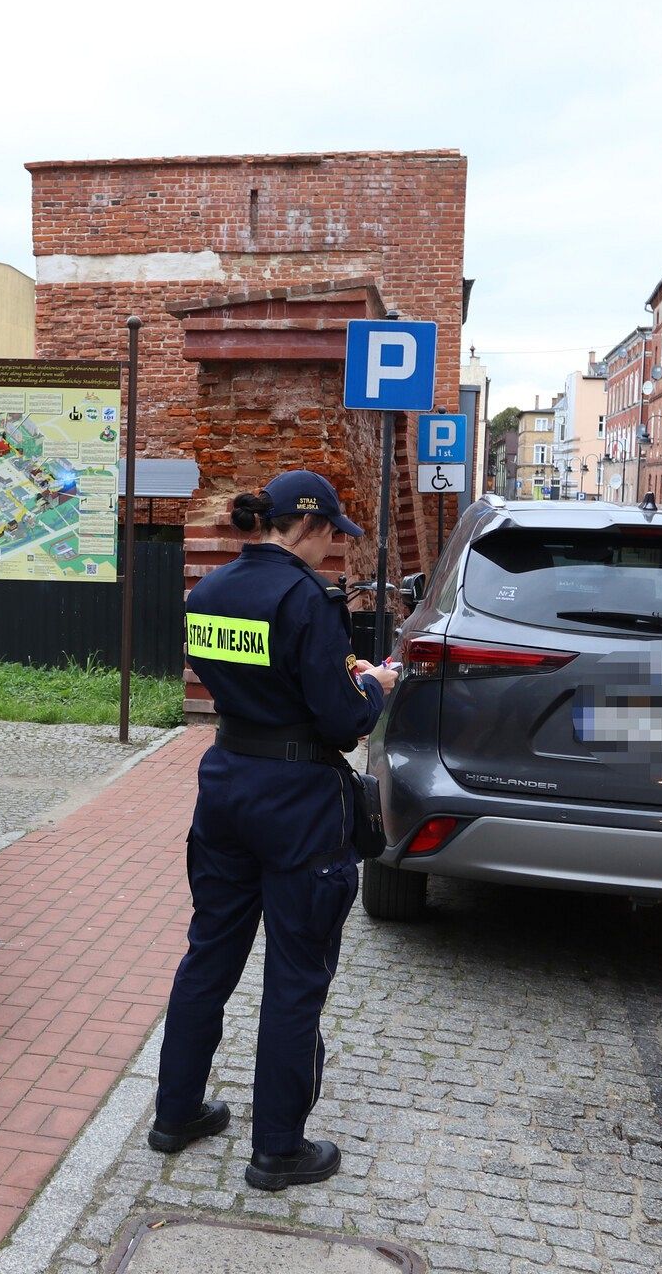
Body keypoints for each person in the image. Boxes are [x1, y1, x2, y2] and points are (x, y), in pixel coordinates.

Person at [148, 469, 399, 1191]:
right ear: (311, 526)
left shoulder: (210, 591)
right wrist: (371, 688)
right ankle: (278, 1150)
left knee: (209, 955)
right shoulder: (306, 599)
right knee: (295, 976)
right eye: (335, 539)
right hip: (297, 802)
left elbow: (228, 677)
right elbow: (343, 721)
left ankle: (176, 1113)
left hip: (226, 782)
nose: (337, 554)